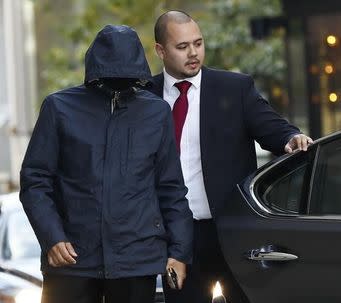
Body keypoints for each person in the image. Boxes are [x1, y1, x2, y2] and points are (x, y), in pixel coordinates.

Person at [19, 24, 193, 303]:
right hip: (71, 259)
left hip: (137, 259)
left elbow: (171, 188)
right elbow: (35, 181)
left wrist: (180, 252)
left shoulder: (156, 112)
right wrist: (51, 237)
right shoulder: (59, 107)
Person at [151, 10, 313, 303]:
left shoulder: (234, 88)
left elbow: (273, 128)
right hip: (176, 238)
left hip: (232, 232)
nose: (193, 53)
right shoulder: (145, 96)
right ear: (160, 50)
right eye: (182, 46)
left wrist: (291, 138)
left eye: (198, 43)